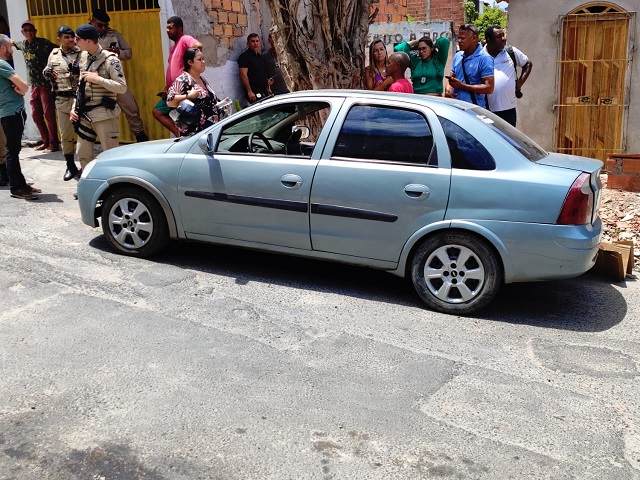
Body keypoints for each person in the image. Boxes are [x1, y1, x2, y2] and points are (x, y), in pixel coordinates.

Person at [69, 24, 127, 183]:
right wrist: (74, 107)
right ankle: (88, 185)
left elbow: (122, 87)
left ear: (88, 41)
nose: (75, 41)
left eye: (78, 39)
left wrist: (98, 80)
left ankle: (114, 186)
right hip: (85, 116)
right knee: (83, 154)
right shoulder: (83, 57)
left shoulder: (110, 60)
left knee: (110, 155)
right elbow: (81, 88)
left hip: (104, 116)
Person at [90, 9, 148, 142]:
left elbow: (128, 52)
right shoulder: (85, 36)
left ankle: (141, 138)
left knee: (131, 108)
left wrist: (118, 52)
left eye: (106, 25)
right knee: (96, 113)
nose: (104, 28)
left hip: (116, 80)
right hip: (97, 82)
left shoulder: (114, 34)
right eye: (100, 25)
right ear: (92, 22)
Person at [0, 34, 41, 200]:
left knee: (13, 150)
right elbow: (24, 86)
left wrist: (21, 90)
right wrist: (22, 89)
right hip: (12, 113)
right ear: (2, 47)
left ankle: (21, 184)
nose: (12, 50)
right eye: (10, 46)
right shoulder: (2, 65)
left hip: (9, 112)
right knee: (13, 151)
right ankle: (16, 187)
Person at [12, 20, 59, 152]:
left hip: (45, 85)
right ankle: (45, 141)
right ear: (22, 33)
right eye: (25, 31)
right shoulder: (23, 45)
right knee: (36, 115)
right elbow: (9, 42)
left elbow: (58, 50)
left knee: (49, 115)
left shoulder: (43, 43)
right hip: (34, 86)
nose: (28, 33)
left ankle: (53, 144)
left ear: (35, 31)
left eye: (30, 30)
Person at [43, 25, 82, 181]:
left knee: (84, 135)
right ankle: (70, 166)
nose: (70, 39)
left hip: (79, 99)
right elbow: (47, 70)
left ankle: (86, 165)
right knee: (66, 135)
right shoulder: (54, 54)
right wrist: (46, 72)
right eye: (66, 37)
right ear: (59, 38)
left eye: (72, 36)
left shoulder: (81, 53)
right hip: (62, 99)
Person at [152, 16, 202, 137]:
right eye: (167, 28)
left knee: (185, 115)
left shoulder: (185, 39)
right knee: (160, 112)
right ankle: (180, 135)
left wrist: (192, 66)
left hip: (183, 89)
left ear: (179, 29)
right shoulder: (173, 47)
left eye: (171, 28)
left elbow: (198, 45)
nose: (168, 30)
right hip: (173, 90)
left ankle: (184, 136)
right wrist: (166, 88)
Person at [167, 48, 224, 137]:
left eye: (203, 59)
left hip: (211, 131)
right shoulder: (183, 80)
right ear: (190, 62)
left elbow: (209, 102)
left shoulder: (202, 79)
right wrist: (189, 96)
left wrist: (221, 104)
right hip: (195, 135)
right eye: (199, 59)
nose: (203, 62)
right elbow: (170, 102)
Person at [484, 25, 532, 127]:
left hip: (508, 110)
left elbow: (528, 64)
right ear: (489, 40)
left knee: (507, 141)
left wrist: (519, 83)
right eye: (499, 36)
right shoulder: (480, 55)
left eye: (503, 35)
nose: (503, 39)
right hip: (485, 110)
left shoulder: (511, 52)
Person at [446, 24, 494, 108]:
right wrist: (448, 91)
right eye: (459, 38)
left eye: (463, 38)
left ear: (474, 38)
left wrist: (463, 86)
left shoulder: (484, 58)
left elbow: (489, 88)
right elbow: (451, 79)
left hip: (473, 111)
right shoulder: (458, 56)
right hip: (455, 109)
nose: (459, 41)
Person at [238, 33, 272, 104]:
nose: (255, 43)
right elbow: (243, 75)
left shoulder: (260, 57)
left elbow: (262, 74)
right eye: (253, 41)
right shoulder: (244, 57)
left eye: (257, 41)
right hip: (254, 93)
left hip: (264, 91)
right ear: (248, 43)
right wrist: (250, 92)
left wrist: (267, 88)